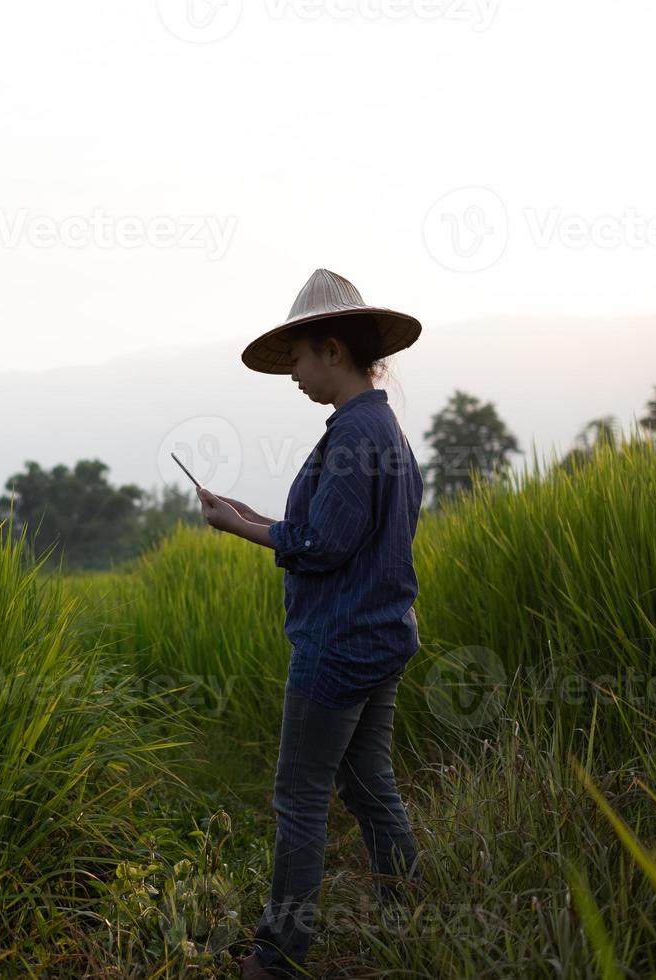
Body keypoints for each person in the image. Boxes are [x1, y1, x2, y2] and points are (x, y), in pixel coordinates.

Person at [196, 269, 426, 979]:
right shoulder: (376, 428)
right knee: (368, 784)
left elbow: (323, 546)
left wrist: (240, 531)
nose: (292, 374)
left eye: (297, 358)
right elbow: (328, 531)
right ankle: (413, 913)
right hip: (382, 636)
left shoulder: (354, 436)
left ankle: (276, 956)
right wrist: (252, 516)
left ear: (330, 349)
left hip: (338, 645)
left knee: (299, 798)